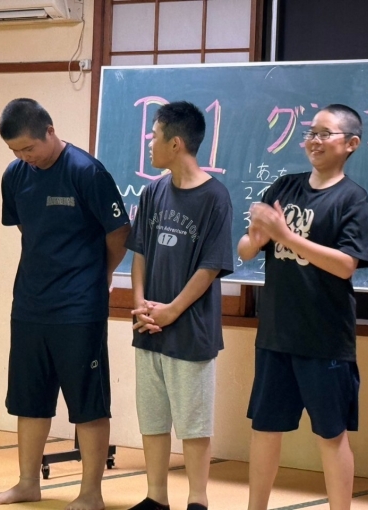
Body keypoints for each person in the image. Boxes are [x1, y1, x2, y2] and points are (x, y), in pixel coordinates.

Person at [0, 98, 130, 510]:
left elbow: (119, 233)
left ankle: (91, 493)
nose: (23, 157)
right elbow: (27, 230)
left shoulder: (86, 172)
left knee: (87, 403)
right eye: (15, 150)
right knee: (29, 400)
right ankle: (27, 483)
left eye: (28, 148)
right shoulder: (15, 175)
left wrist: (100, 275)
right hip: (30, 304)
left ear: (50, 131)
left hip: (79, 307)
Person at [237, 104, 368, 510]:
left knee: (331, 435)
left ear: (351, 144)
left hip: (325, 338)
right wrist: (257, 238)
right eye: (311, 132)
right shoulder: (284, 187)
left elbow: (346, 264)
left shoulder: (352, 198)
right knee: (265, 428)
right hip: (276, 333)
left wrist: (286, 236)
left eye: (325, 133)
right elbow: (245, 250)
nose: (314, 140)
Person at [126, 101, 233, 510]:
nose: (149, 143)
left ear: (175, 143)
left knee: (193, 422)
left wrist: (172, 310)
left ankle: (197, 500)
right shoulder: (152, 191)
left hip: (190, 329)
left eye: (154, 136)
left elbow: (211, 266)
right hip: (149, 325)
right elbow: (139, 252)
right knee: (153, 417)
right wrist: (140, 303)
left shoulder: (214, 197)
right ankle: (156, 497)